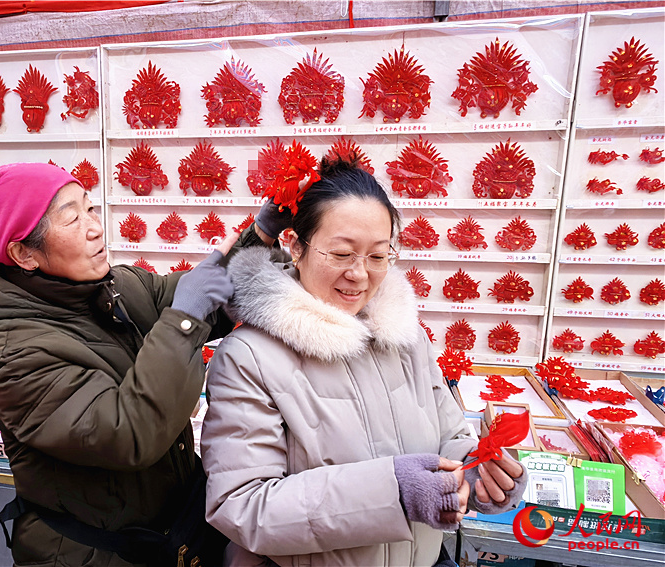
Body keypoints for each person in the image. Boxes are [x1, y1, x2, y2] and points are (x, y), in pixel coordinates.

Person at [200, 156, 528, 566]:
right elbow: (242, 506)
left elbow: (451, 434)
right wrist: (393, 491)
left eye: (377, 256)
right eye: (341, 254)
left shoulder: (405, 337)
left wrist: (475, 473)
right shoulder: (248, 358)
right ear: (296, 246)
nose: (360, 274)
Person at [0, 162, 281, 567]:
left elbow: (209, 295)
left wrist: (263, 234)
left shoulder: (114, 286)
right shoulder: (13, 351)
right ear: (24, 254)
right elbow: (128, 432)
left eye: (90, 209)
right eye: (72, 218)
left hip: (175, 531)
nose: (95, 227)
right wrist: (183, 321)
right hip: (94, 552)